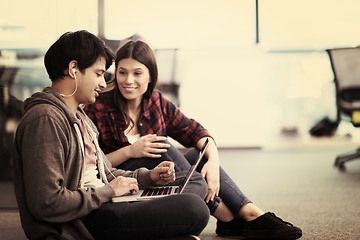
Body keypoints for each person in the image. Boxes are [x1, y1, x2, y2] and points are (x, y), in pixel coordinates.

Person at [84, 39, 303, 240]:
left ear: (150, 76)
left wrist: (214, 162)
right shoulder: (98, 106)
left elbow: (196, 132)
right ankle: (232, 216)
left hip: (160, 180)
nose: (128, 80)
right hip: (123, 181)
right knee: (163, 146)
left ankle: (245, 213)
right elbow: (92, 166)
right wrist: (130, 151)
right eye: (122, 72)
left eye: (137, 73)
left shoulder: (156, 102)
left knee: (199, 154)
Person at [12, 30, 210, 240]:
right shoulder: (45, 119)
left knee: (195, 182)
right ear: (73, 69)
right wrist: (109, 192)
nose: (103, 83)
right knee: (194, 208)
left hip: (104, 201)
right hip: (85, 220)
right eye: (98, 74)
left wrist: (147, 178)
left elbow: (105, 174)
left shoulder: (79, 117)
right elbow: (46, 203)